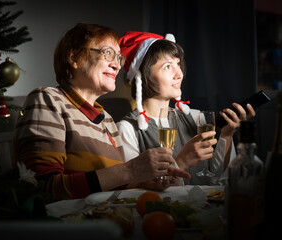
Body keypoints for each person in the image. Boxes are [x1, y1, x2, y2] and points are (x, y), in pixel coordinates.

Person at [13, 23, 191, 201]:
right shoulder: (47, 99)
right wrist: (130, 170)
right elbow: (42, 188)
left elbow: (112, 182)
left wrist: (141, 183)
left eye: (119, 58)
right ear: (74, 57)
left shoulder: (106, 119)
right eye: (107, 53)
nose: (117, 65)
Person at [117, 31, 256, 185]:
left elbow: (216, 178)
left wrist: (227, 135)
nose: (179, 74)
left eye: (178, 64)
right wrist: (182, 162)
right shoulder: (127, 129)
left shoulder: (197, 118)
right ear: (143, 76)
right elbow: (131, 192)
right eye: (168, 66)